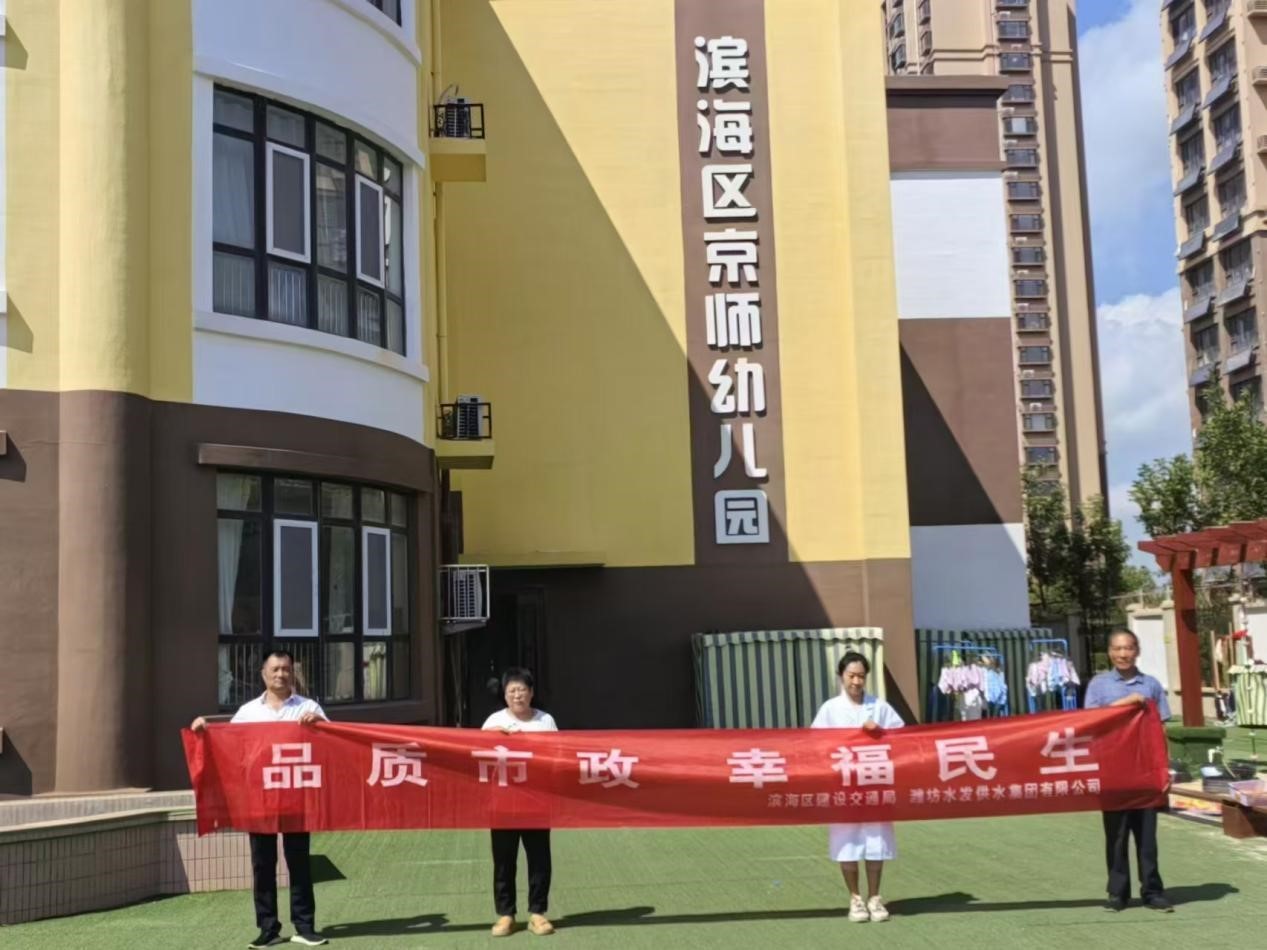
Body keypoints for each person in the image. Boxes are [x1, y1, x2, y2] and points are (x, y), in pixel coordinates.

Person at [191, 651, 330, 948]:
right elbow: (227, 744)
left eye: (286, 669)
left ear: (292, 673)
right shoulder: (248, 712)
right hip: (259, 799)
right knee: (263, 865)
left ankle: (305, 926)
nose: (281, 675)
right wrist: (205, 729)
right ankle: (268, 928)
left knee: (299, 863)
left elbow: (332, 742)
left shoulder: (308, 707)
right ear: (264, 674)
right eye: (275, 669)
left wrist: (319, 723)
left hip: (296, 798)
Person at [1084, 627, 1173, 914]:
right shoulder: (1098, 685)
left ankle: (1153, 892)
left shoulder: (1152, 685)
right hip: (1112, 771)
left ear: (1137, 651)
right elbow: (1091, 722)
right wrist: (1127, 701)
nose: (1123, 654)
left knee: (1147, 838)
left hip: (1145, 771)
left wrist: (1165, 770)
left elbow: (1161, 729)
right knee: (1117, 835)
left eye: (1129, 648)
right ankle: (1117, 893)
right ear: (1110, 652)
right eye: (1118, 648)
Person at [811, 652, 905, 923]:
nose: (856, 681)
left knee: (876, 841)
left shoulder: (880, 707)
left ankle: (874, 897)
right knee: (847, 842)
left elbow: (902, 737)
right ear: (841, 676)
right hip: (843, 786)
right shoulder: (830, 709)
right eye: (851, 675)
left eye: (861, 676)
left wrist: (880, 732)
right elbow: (814, 743)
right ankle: (855, 898)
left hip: (874, 784)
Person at [482, 667, 558, 937]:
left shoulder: (545, 721)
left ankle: (537, 913)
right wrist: (492, 738)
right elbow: (478, 758)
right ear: (504, 695)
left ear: (531, 693)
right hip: (502, 801)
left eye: (522, 690)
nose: (517, 695)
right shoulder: (493, 722)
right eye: (512, 690)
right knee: (504, 860)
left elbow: (557, 756)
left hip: (536, 800)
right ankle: (506, 915)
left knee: (539, 858)